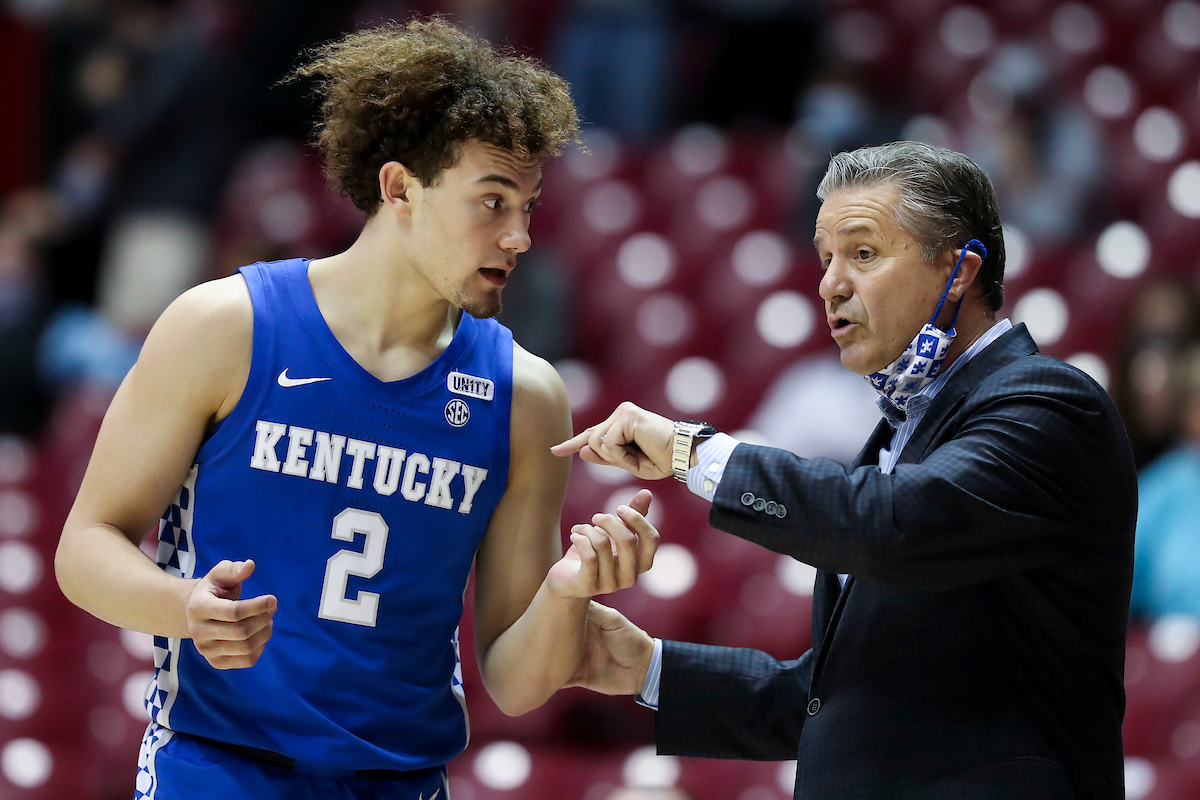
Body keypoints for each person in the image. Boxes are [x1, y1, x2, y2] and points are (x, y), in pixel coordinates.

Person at [54, 19, 659, 800]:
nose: (520, 236)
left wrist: (568, 593)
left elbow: (514, 681)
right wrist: (182, 607)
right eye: (493, 201)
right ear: (400, 187)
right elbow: (83, 548)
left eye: (530, 205)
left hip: (399, 781)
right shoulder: (226, 326)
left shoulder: (527, 395)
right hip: (217, 765)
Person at [556, 141, 1136, 799]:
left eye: (862, 254)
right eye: (825, 257)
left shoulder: (1050, 406)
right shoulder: (900, 437)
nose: (831, 283)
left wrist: (694, 452)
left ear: (960, 271)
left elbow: (894, 524)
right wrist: (647, 669)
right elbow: (836, 702)